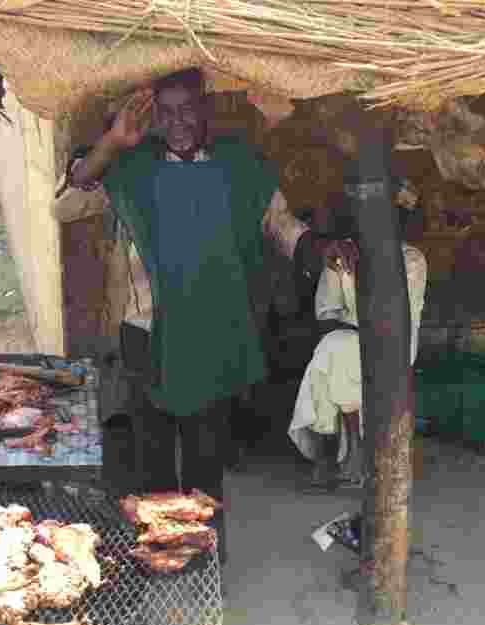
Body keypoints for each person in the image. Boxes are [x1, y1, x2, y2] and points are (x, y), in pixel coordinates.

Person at [52, 67, 357, 567]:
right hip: (146, 332)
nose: (178, 122)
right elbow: (66, 206)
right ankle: (157, 554)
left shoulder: (239, 170)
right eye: (166, 113)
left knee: (205, 454)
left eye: (187, 109)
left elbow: (281, 225)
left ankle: (203, 557)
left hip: (213, 331)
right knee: (150, 454)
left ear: (206, 110)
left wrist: (321, 249)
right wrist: (112, 142)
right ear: (152, 120)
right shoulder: (132, 168)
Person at [288, 226, 428, 489]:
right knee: (334, 347)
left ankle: (331, 452)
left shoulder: (412, 259)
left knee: (332, 350)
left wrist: (361, 271)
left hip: (394, 346)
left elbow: (393, 320)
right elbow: (326, 316)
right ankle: (353, 449)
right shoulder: (339, 255)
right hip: (346, 340)